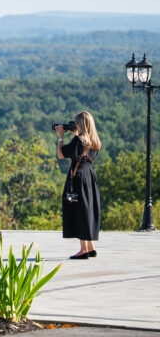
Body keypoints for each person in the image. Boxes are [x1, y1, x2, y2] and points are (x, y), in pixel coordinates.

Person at [59, 111, 102, 259]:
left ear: (80, 124)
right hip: (89, 176)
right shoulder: (95, 141)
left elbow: (61, 154)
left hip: (78, 178)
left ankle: (83, 250)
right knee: (88, 209)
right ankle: (90, 246)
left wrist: (60, 137)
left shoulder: (78, 141)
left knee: (79, 210)